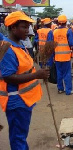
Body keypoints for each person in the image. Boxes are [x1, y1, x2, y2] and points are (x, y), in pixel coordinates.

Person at [0, 11, 49, 150]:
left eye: (28, 26)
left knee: (21, 135)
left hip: (25, 99)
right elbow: (8, 77)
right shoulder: (8, 49)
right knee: (18, 137)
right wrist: (36, 75)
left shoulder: (19, 44)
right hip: (16, 101)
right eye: (23, 26)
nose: (27, 30)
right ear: (13, 28)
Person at [53, 15, 73, 95]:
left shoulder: (54, 31)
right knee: (67, 73)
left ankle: (60, 89)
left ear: (58, 22)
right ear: (66, 22)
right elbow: (71, 43)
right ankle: (68, 90)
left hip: (57, 56)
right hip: (65, 56)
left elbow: (52, 45)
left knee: (59, 73)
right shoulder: (68, 31)